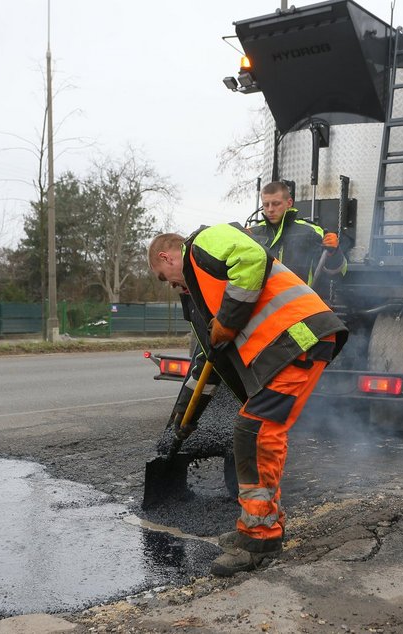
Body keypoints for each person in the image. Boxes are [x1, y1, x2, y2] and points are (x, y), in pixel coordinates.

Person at [148, 224, 347, 576]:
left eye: (165, 277)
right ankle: (265, 529)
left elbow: (253, 257)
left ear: (167, 256)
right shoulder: (203, 292)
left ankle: (258, 539)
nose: (171, 286)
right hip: (289, 348)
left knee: (254, 432)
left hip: (299, 338)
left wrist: (226, 320)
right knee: (259, 431)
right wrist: (181, 427)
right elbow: (206, 366)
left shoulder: (203, 243)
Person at [250, 181, 347, 289]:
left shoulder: (311, 231)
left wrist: (333, 253)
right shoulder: (252, 233)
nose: (270, 209)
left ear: (289, 203)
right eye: (266, 205)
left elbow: (336, 273)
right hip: (264, 304)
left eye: (276, 204)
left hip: (299, 303)